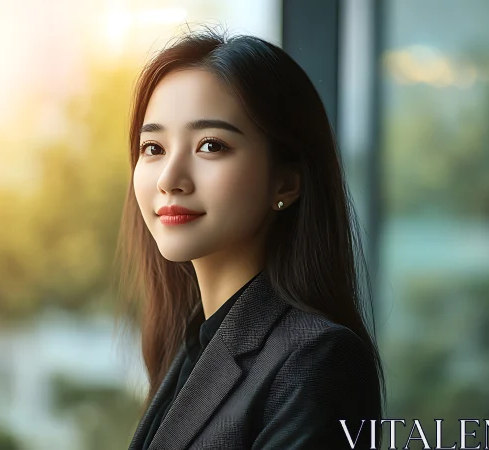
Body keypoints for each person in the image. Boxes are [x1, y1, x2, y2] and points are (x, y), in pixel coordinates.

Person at [115, 25, 385, 449]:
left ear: (286, 183)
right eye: (154, 148)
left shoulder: (315, 359)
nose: (170, 179)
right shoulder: (191, 344)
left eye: (210, 146)